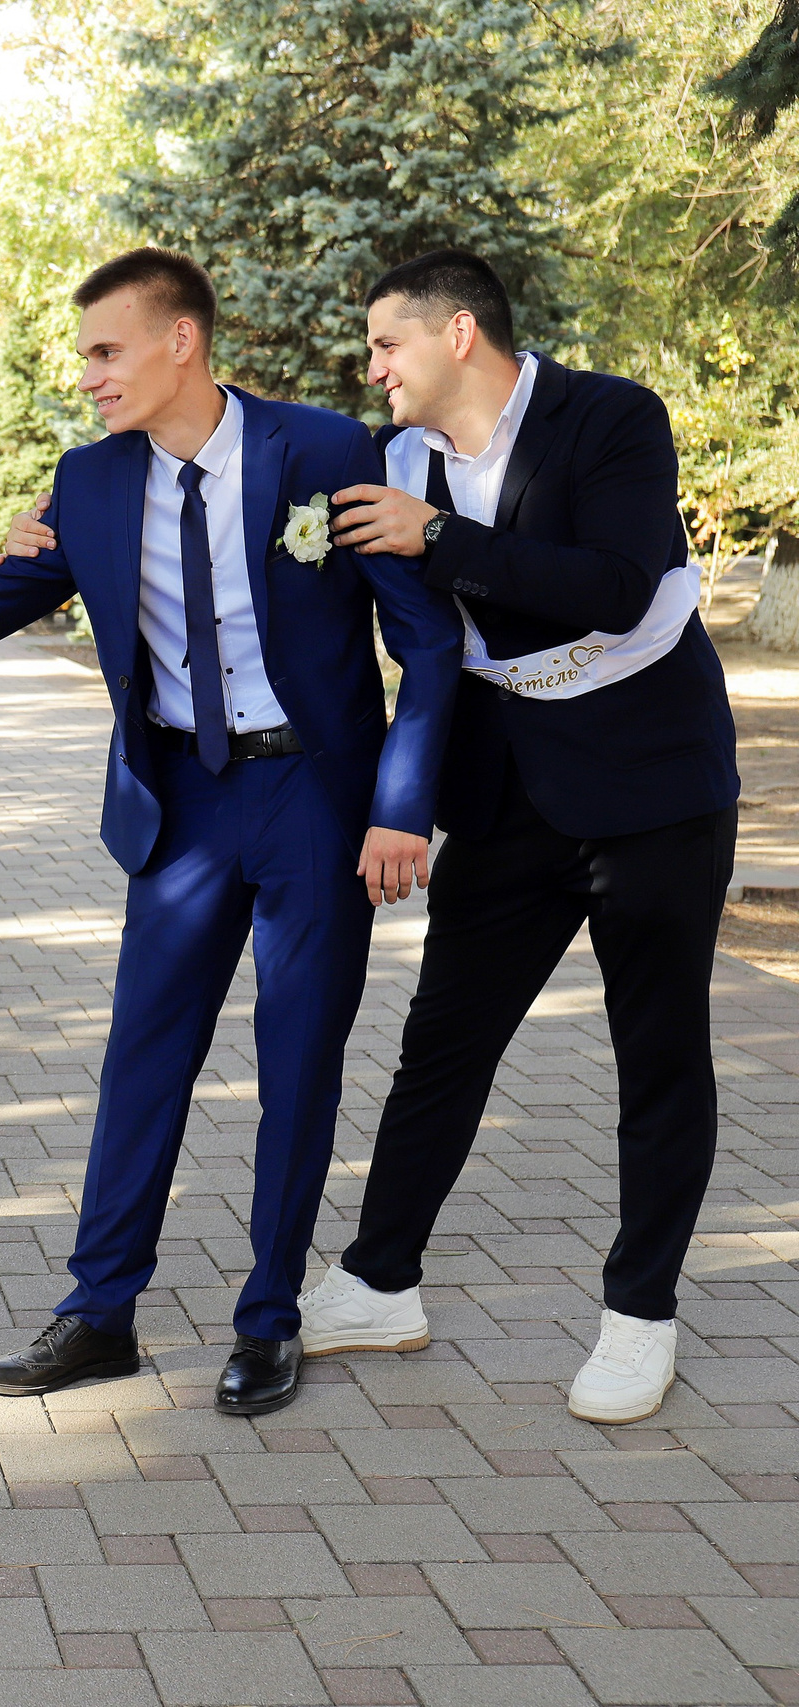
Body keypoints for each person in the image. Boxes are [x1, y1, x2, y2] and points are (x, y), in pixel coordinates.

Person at [0, 248, 461, 1416]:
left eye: (106, 351)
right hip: (181, 805)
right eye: (84, 357)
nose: (88, 377)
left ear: (181, 341)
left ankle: (269, 1319)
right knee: (141, 1058)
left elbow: (425, 640)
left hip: (314, 801)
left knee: (299, 1061)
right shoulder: (90, 481)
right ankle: (99, 1314)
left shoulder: (321, 451)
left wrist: (398, 808)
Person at [297, 250, 739, 1425]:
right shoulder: (389, 458)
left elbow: (615, 584)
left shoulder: (610, 416)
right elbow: (254, 486)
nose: (371, 367)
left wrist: (437, 538)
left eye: (386, 343)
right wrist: (61, 531)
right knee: (442, 1044)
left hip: (652, 785)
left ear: (456, 333)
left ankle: (639, 1317)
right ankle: (378, 1284)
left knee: (657, 1055)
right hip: (503, 795)